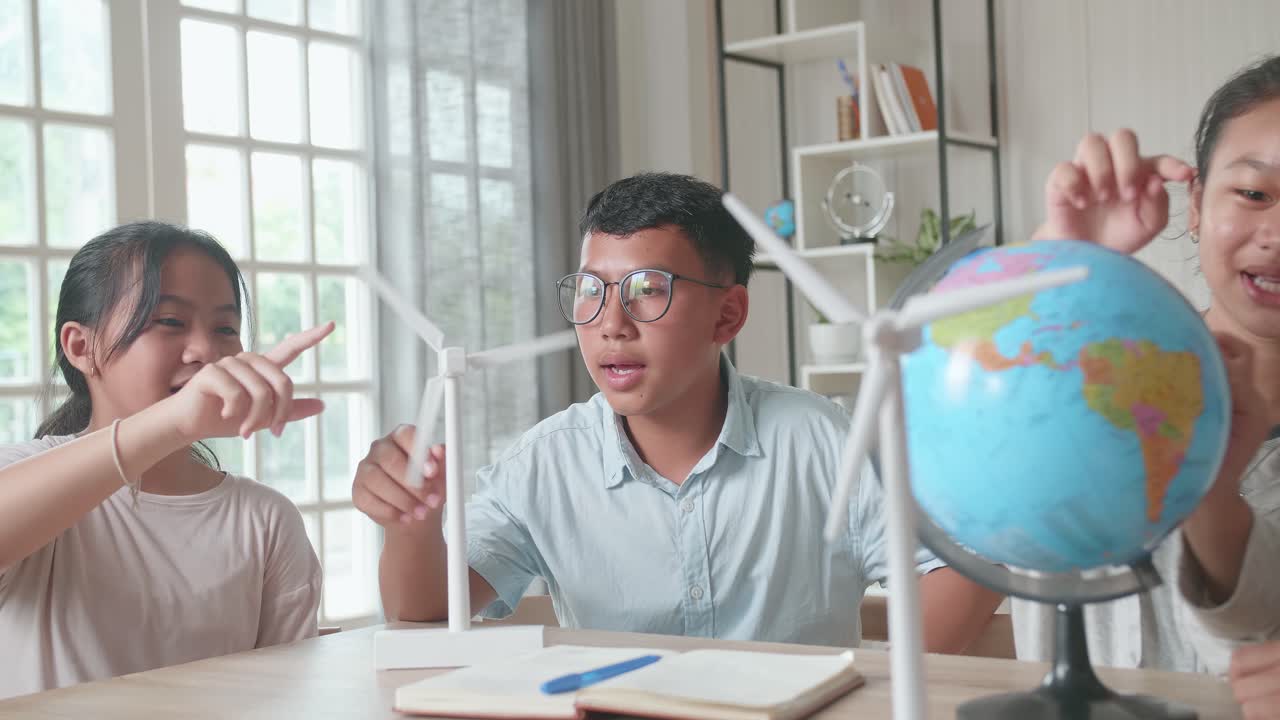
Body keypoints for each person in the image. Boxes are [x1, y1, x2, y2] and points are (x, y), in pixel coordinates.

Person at [354, 172, 1003, 650]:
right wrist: (412, 523)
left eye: (647, 292)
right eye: (589, 291)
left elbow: (963, 572)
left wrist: (875, 696)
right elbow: (425, 617)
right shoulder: (544, 463)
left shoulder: (822, 440)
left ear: (728, 314)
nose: (610, 324)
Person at [1022, 55, 1280, 686]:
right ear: (1193, 203)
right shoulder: (1091, 379)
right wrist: (1056, 273)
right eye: (1253, 194)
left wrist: (1207, 489)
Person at [0, 222, 332, 699]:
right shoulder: (23, 478)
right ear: (81, 347)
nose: (206, 352)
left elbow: (284, 698)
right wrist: (174, 422)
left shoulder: (265, 518)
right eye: (170, 322)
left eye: (225, 329)